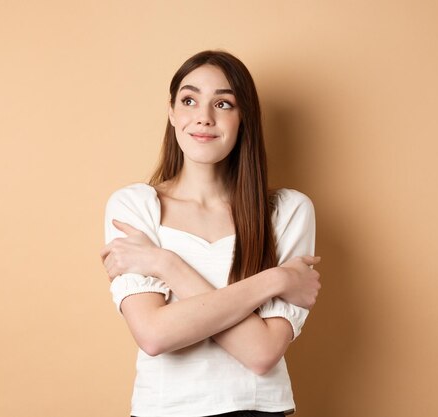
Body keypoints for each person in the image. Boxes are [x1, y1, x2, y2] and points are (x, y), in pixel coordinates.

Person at [100, 50, 321, 417]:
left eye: (223, 103)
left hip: (259, 409)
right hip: (164, 410)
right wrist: (277, 279)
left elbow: (262, 353)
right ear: (172, 112)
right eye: (189, 100)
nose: (203, 117)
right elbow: (154, 335)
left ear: (243, 117)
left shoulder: (288, 211)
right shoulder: (134, 205)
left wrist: (163, 264)